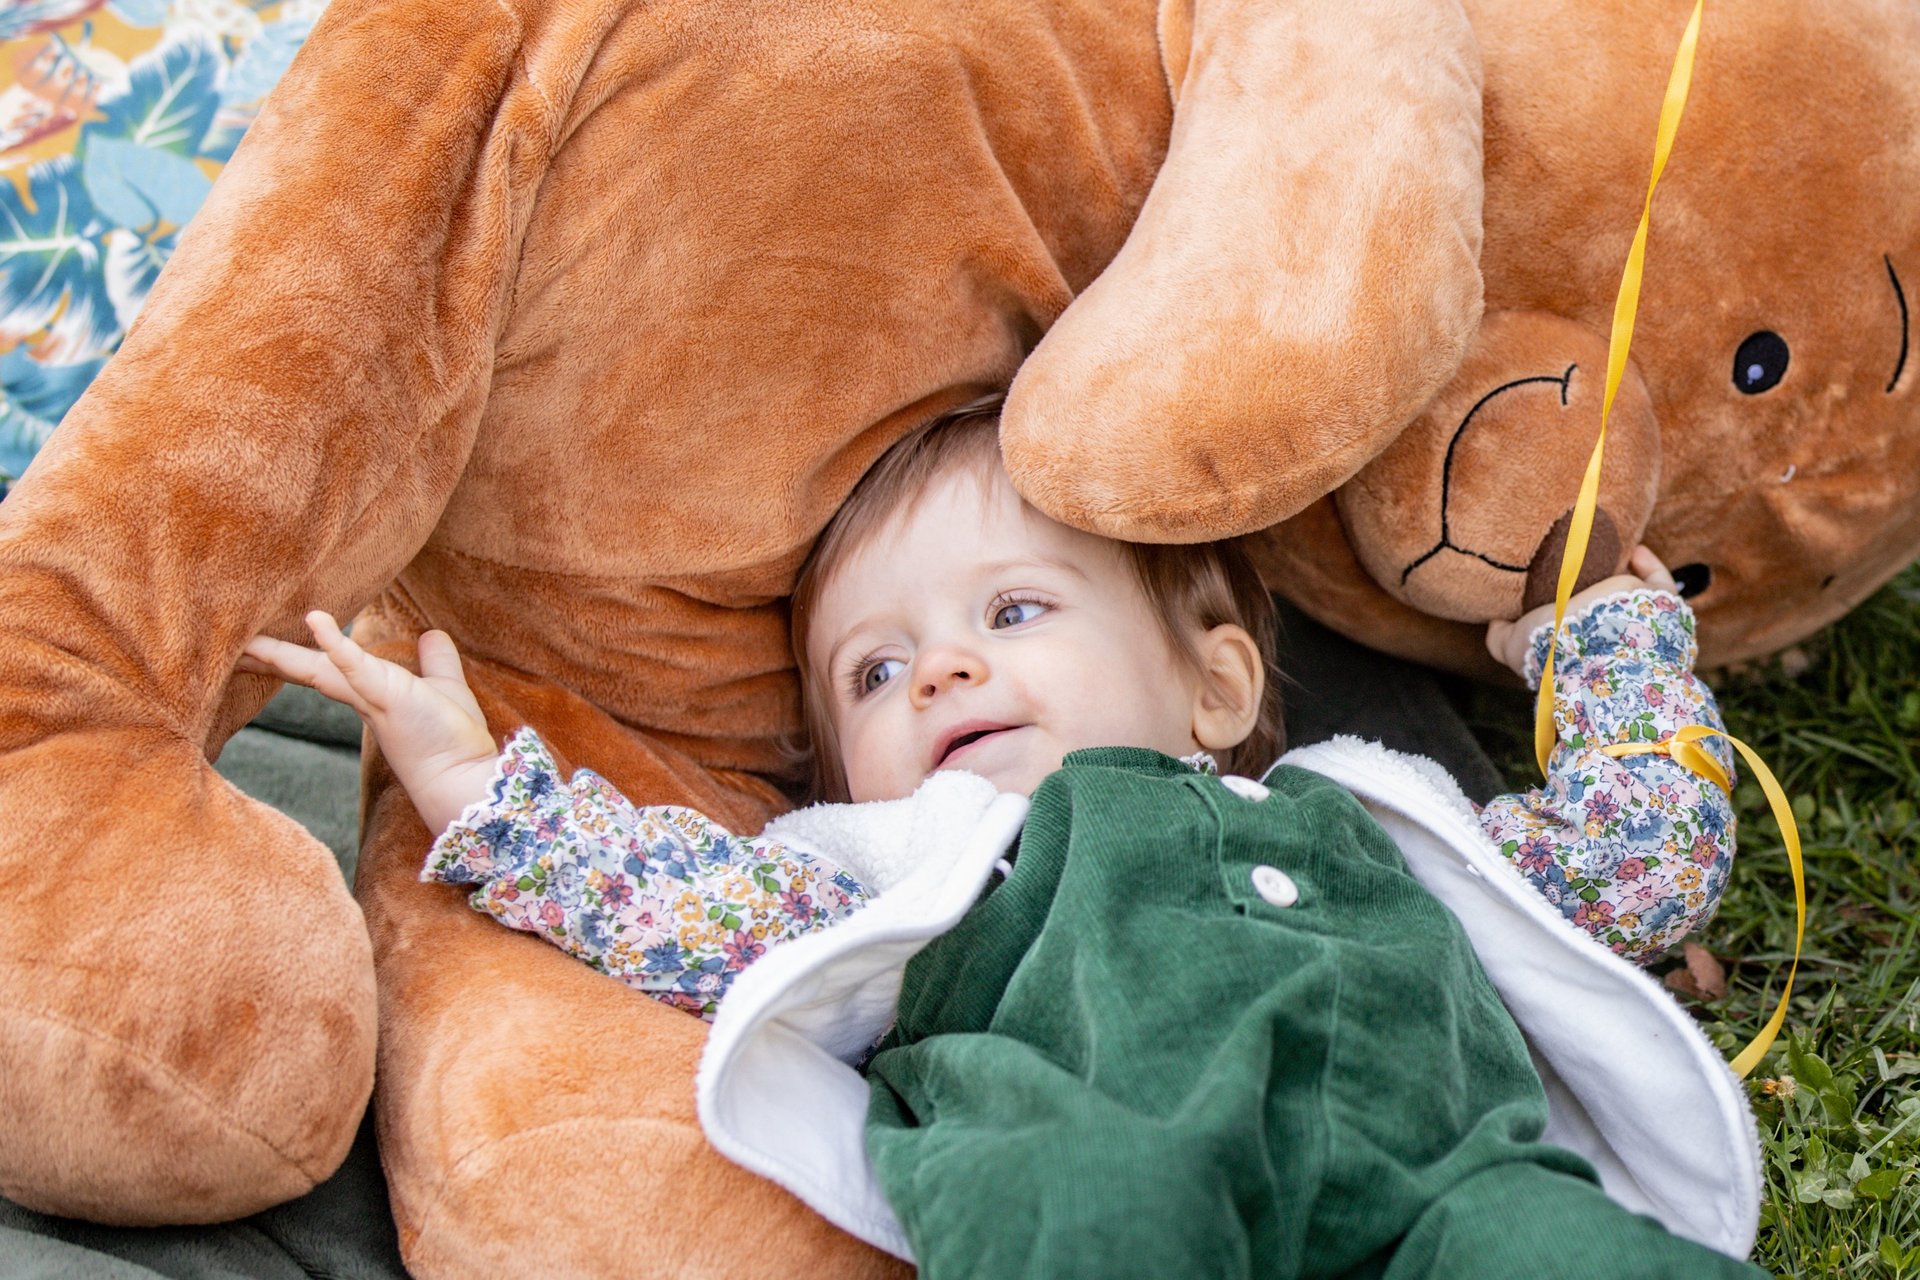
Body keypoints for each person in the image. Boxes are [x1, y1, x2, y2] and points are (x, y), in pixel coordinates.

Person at [239, 396, 1760, 1276]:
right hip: (1102, 1169)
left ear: (1217, 685)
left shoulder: (1375, 816)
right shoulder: (923, 870)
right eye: (877, 672)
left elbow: (1636, 865)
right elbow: (680, 906)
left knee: (1565, 1258)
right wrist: (479, 792)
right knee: (1088, 1220)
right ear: (857, 779)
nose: (945, 669)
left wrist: (1608, 644)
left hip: (1450, 1194)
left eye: (1014, 611)